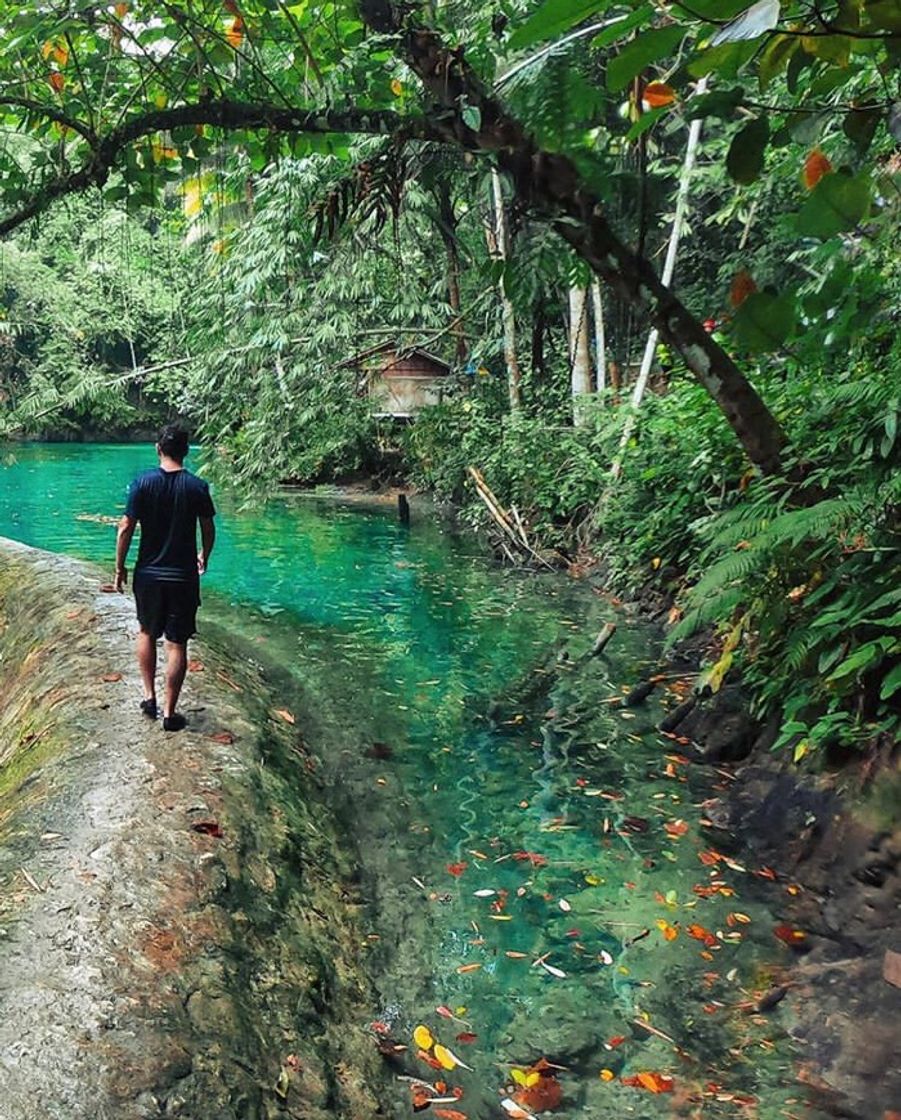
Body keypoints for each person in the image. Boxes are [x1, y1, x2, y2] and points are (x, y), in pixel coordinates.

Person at [114, 424, 216, 732]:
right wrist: (204, 555)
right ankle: (170, 714)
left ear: (158, 448)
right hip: (183, 577)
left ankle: (149, 697)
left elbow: (125, 527)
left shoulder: (142, 483)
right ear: (186, 451)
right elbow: (209, 530)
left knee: (146, 631)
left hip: (148, 575)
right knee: (177, 644)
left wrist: (120, 567)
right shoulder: (197, 487)